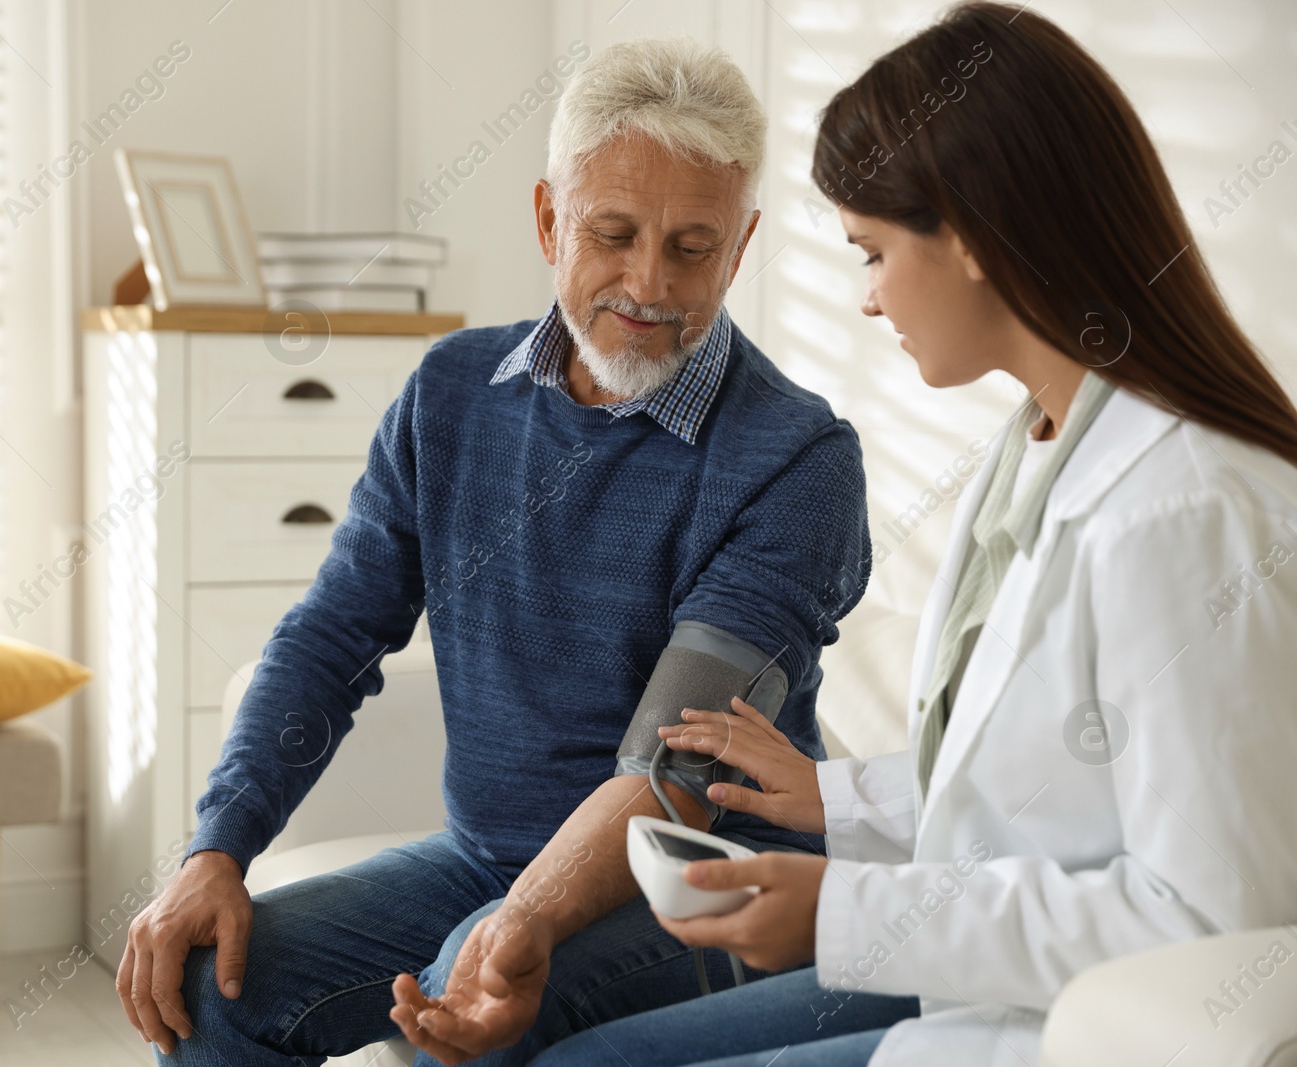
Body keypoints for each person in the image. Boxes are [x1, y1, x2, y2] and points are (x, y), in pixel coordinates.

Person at [530, 3, 1297, 1065]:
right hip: (986, 984)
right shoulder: (1033, 442)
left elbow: (1207, 922)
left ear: (973, 240)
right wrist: (836, 796)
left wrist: (840, 913)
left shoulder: (1186, 511)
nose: (866, 298)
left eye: (872, 252)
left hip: (1076, 1033)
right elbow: (1046, 784)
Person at [117, 37, 893, 1066]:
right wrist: (217, 846)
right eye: (611, 234)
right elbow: (330, 639)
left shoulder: (796, 459)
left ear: (739, 247)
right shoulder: (448, 396)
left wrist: (517, 918)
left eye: (692, 247)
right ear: (546, 219)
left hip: (705, 875)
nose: (648, 282)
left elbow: (673, 766)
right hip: (482, 854)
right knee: (211, 994)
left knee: (464, 997)